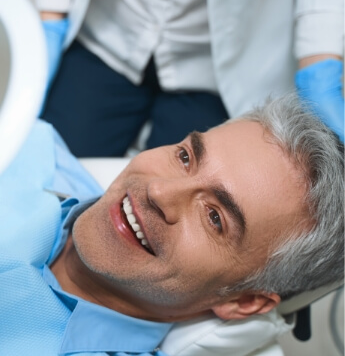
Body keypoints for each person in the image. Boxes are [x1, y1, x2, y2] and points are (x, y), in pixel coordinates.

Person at [0, 95, 343, 355]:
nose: (158, 191)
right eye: (185, 157)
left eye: (214, 218)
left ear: (245, 301)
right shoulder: (29, 145)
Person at [35, 0, 344, 157]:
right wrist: (50, 13)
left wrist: (320, 60)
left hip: (214, 65)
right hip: (110, 30)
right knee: (48, 171)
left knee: (180, 217)